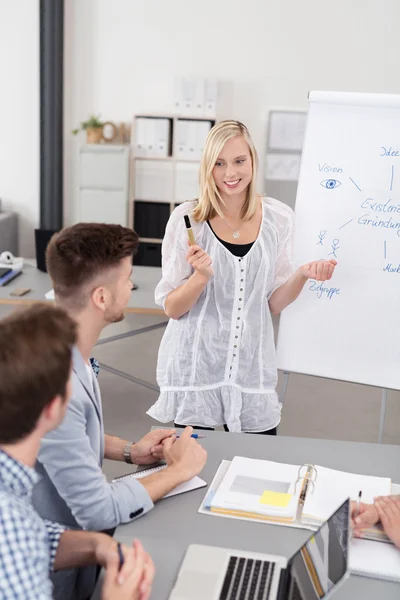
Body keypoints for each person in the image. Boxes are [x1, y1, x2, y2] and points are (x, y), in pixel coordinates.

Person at [32, 223, 207, 600]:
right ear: (100, 296)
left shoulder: (63, 346)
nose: (130, 287)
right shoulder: (54, 383)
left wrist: (130, 451)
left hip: (71, 542)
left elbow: (66, 439)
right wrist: (180, 470)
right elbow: (97, 511)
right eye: (127, 279)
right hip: (47, 570)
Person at [147, 120, 337, 433]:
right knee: (195, 473)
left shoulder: (278, 218)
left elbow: (274, 304)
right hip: (196, 371)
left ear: (252, 160)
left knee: (258, 470)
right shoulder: (187, 220)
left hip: (252, 371)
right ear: (207, 167)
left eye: (239, 161)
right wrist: (200, 277)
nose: (230, 173)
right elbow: (172, 308)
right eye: (219, 164)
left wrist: (302, 274)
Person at [0, 303, 154, 600]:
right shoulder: (12, 523)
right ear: (54, 409)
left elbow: (30, 532)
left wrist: (97, 546)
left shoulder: (14, 499)